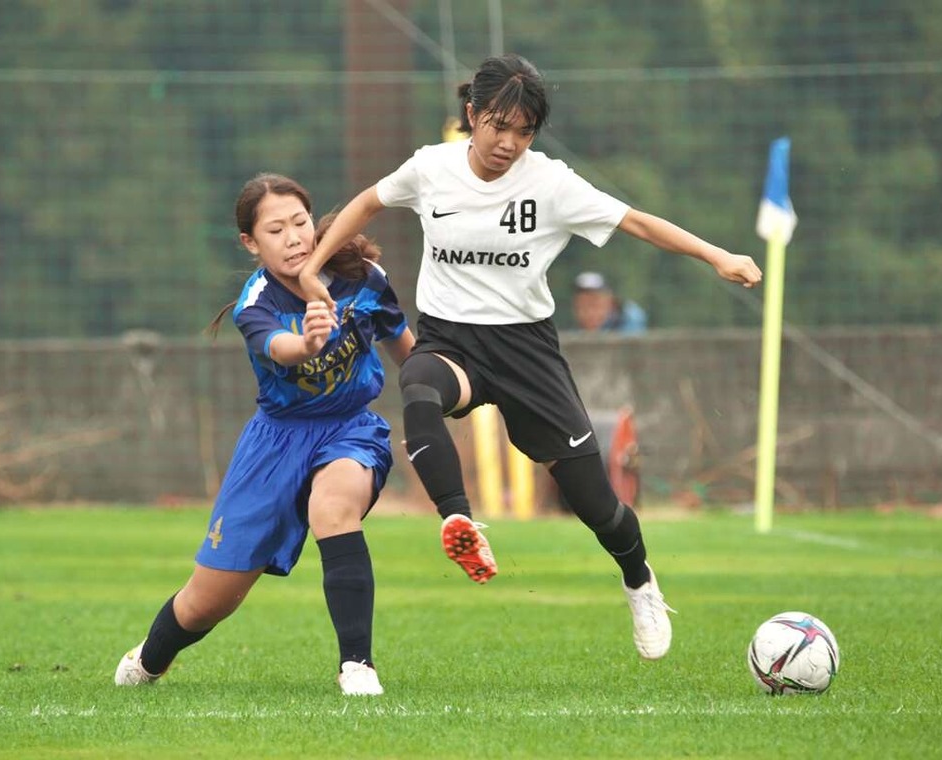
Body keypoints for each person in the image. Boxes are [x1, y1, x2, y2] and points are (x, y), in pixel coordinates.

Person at [298, 54, 762, 661]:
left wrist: (717, 255)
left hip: (526, 352)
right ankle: (459, 521)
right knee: (418, 380)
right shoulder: (431, 168)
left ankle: (640, 579)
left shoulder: (551, 184)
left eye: (524, 132)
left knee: (597, 506)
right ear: (472, 115)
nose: (509, 144)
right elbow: (365, 203)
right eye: (498, 126)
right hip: (451, 340)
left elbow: (638, 223)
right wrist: (312, 268)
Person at [114, 173, 415, 696]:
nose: (294, 237)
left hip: (351, 427)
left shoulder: (364, 278)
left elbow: (410, 354)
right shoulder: (255, 302)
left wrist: (439, 400)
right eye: (276, 230)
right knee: (207, 602)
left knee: (332, 508)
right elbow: (281, 348)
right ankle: (148, 659)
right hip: (276, 443)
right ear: (251, 243)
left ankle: (357, 666)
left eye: (300, 222)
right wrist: (309, 343)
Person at [572, 271, 648, 333]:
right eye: (583, 307)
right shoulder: (575, 334)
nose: (590, 313)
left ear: (610, 303)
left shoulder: (629, 320)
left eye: (595, 305)